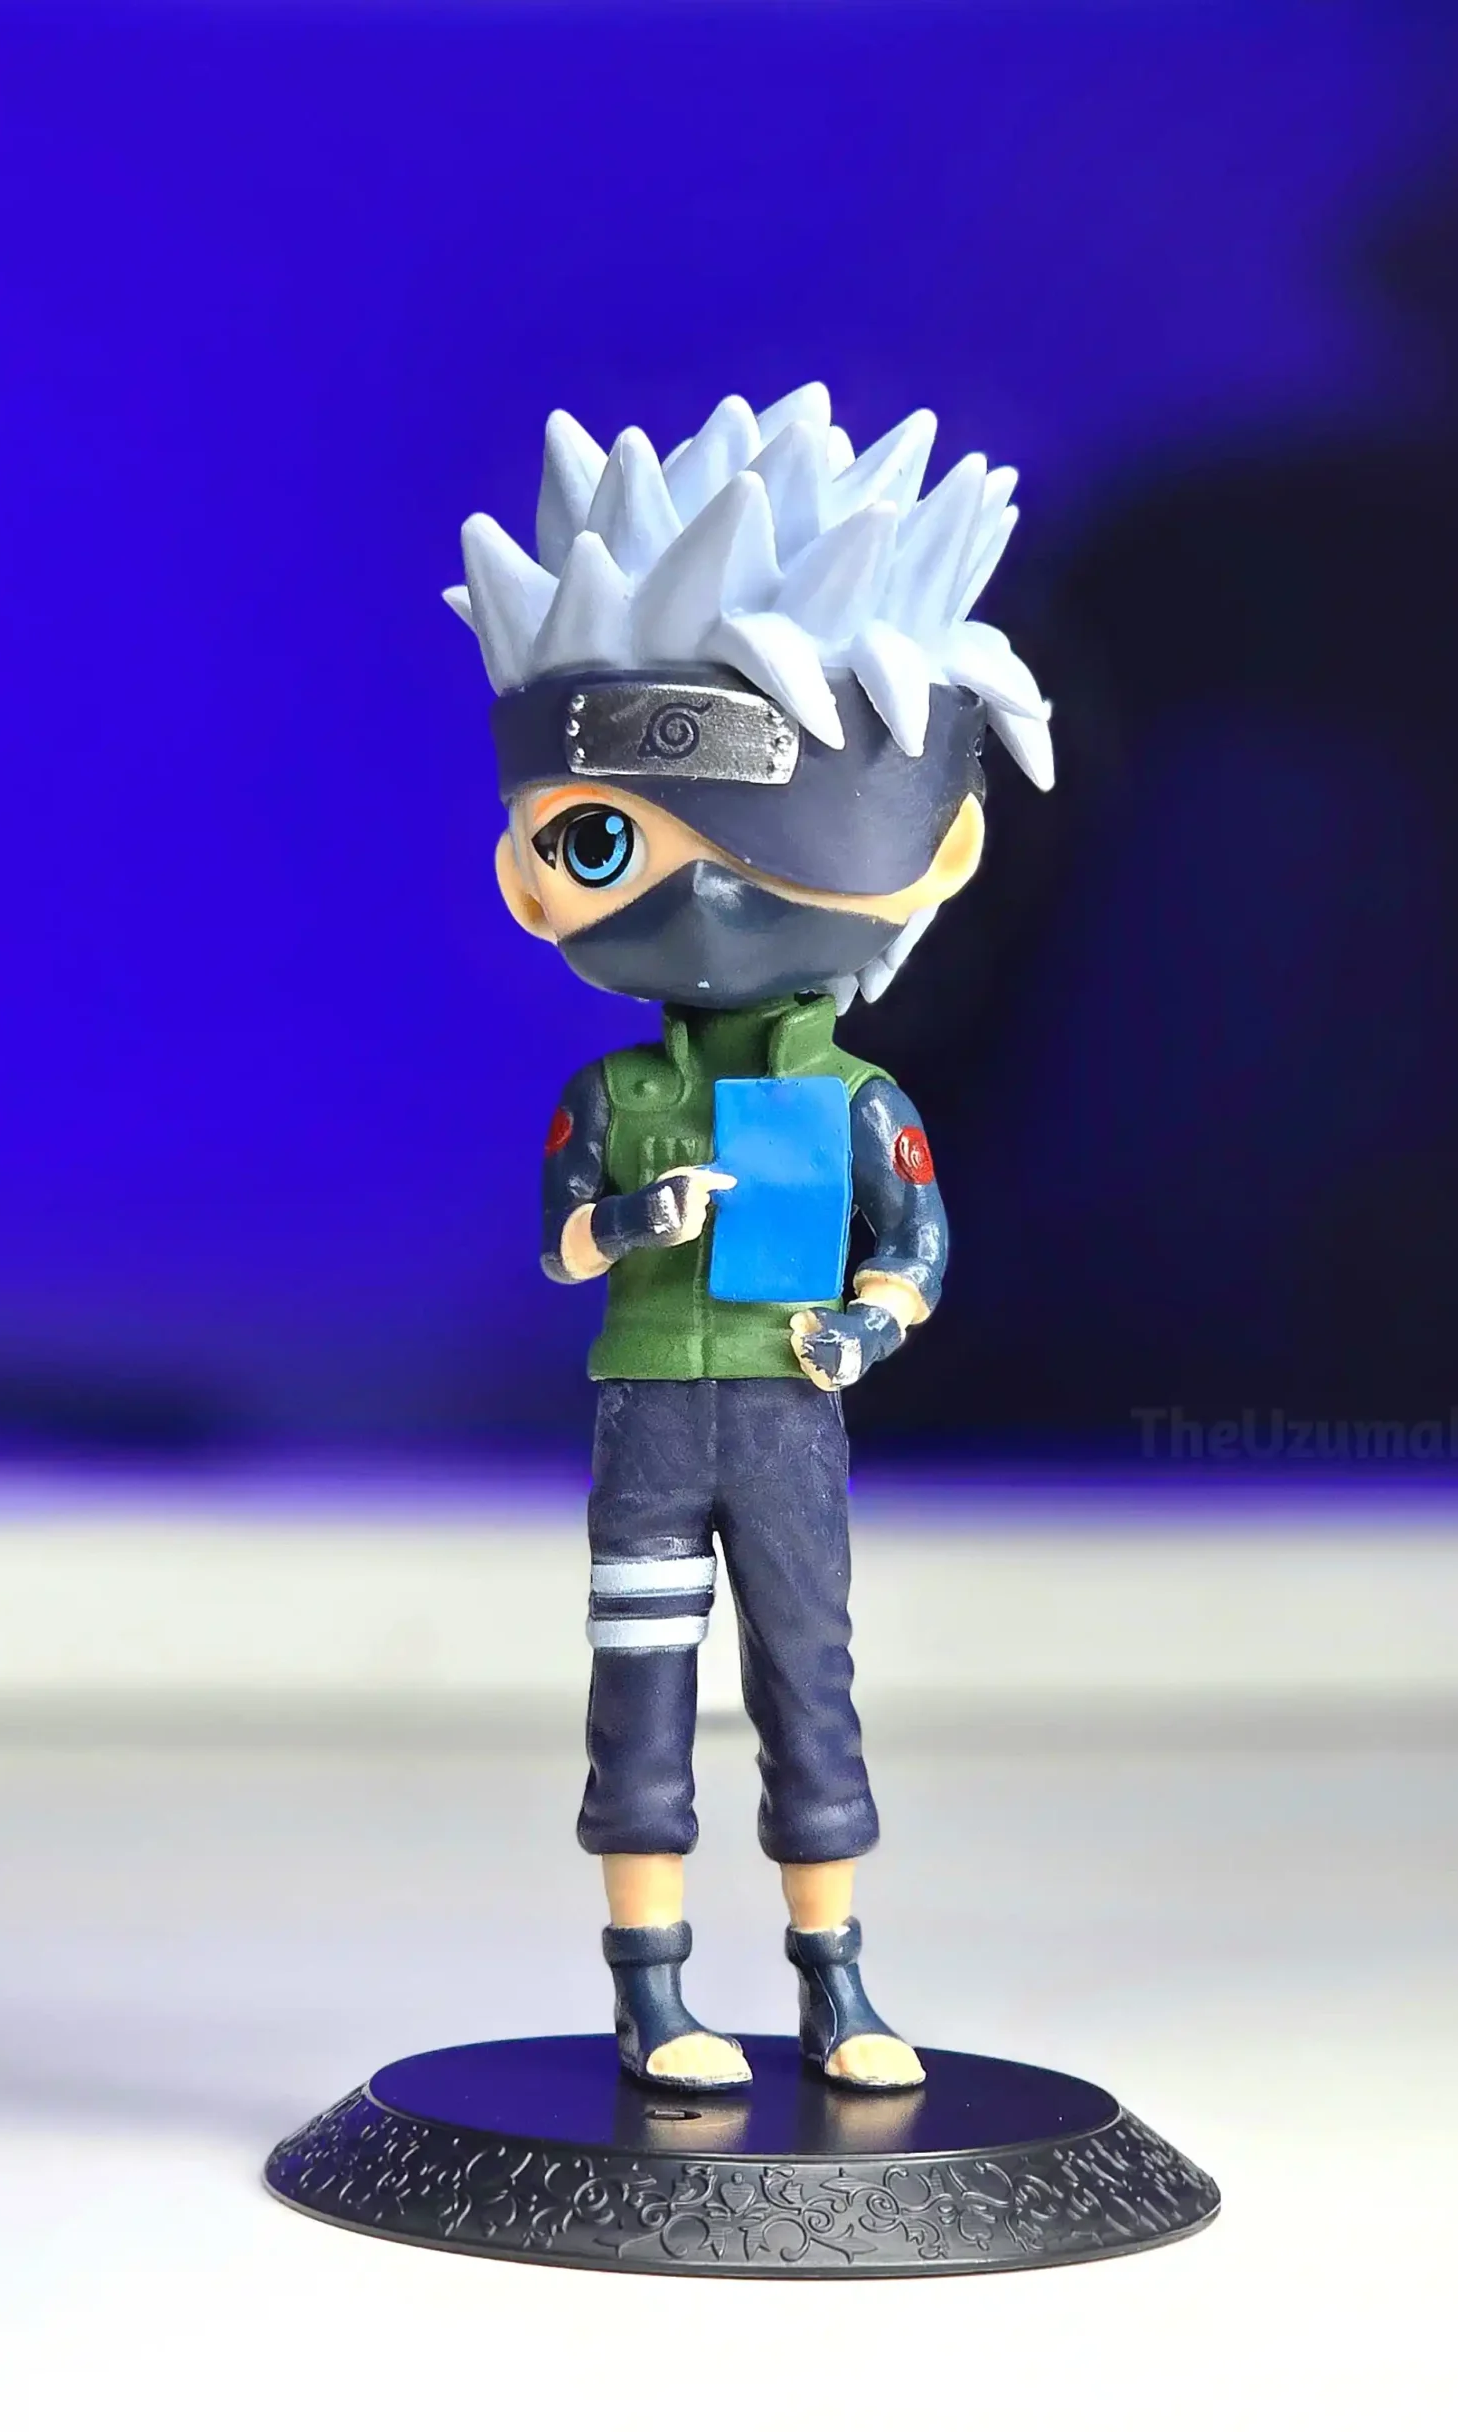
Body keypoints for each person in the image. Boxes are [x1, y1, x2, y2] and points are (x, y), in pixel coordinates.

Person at [446, 385, 1052, 2091]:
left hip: (786, 1414)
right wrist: (634, 1218)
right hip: (651, 1410)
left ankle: (835, 1983)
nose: (701, 898)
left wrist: (866, 1324)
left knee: (809, 1684)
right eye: (592, 840)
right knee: (638, 1693)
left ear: (937, 845)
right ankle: (651, 1991)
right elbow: (561, 1247)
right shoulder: (610, 1095)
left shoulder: (856, 1101)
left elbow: (915, 1250)